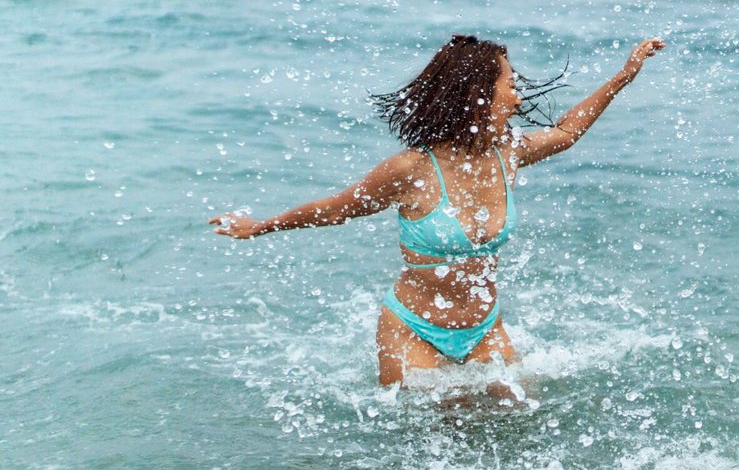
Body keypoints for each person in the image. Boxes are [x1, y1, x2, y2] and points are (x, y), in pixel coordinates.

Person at [212, 34, 665, 386]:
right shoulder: (411, 170)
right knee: (420, 443)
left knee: (518, 419)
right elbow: (336, 208)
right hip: (413, 329)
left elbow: (568, 131)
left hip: (485, 327)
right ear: (478, 95)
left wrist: (625, 75)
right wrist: (259, 227)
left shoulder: (508, 153)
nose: (519, 97)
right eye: (510, 85)